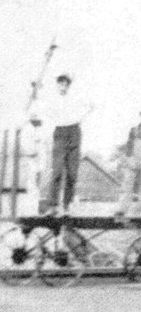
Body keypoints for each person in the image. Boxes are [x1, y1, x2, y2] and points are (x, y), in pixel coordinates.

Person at [31, 74, 93, 215]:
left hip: (74, 132)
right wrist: (36, 90)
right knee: (57, 171)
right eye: (60, 84)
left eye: (65, 85)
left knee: (72, 172)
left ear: (68, 86)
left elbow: (91, 106)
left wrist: (80, 118)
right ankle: (52, 206)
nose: (62, 87)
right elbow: (38, 107)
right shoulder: (51, 100)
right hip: (59, 133)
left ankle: (67, 205)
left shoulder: (75, 98)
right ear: (57, 85)